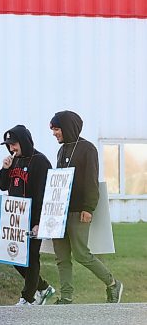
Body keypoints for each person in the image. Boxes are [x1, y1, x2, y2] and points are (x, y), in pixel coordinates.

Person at [49, 110, 123, 304]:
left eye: (56, 129)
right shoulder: (61, 150)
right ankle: (66, 297)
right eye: (53, 129)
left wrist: (88, 208)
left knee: (81, 254)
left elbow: (91, 181)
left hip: (78, 211)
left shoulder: (88, 149)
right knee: (61, 257)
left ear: (67, 127)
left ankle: (113, 283)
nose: (54, 133)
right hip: (58, 213)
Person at [0, 125, 56, 306]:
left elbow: (42, 194)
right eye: (8, 145)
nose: (11, 148)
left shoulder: (40, 161)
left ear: (23, 141)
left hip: (33, 218)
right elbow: (2, 186)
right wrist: (5, 169)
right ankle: (44, 287)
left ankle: (27, 298)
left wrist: (39, 222)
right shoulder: (13, 161)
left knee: (31, 257)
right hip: (15, 219)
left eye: (14, 144)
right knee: (13, 256)